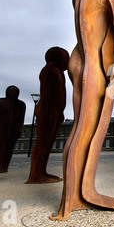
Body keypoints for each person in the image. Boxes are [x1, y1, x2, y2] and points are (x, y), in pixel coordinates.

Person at [50, 0, 114, 221]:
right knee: (86, 129)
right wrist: (113, 72)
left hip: (82, 60)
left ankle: (75, 196)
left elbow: (93, 32)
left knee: (81, 129)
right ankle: (73, 200)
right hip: (90, 64)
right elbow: (105, 39)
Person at [26, 47, 69, 184]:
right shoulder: (50, 71)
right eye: (66, 58)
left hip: (54, 110)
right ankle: (35, 176)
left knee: (47, 143)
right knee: (42, 142)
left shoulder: (57, 71)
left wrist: (59, 111)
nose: (68, 62)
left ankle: (41, 171)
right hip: (48, 110)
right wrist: (51, 110)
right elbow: (48, 94)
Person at [0, 85, 26, 173]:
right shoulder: (0, 102)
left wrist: (19, 129)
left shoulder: (21, 105)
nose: (14, 93)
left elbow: (21, 119)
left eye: (15, 92)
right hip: (1, 129)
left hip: (13, 130)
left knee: (9, 149)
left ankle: (5, 166)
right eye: (12, 91)